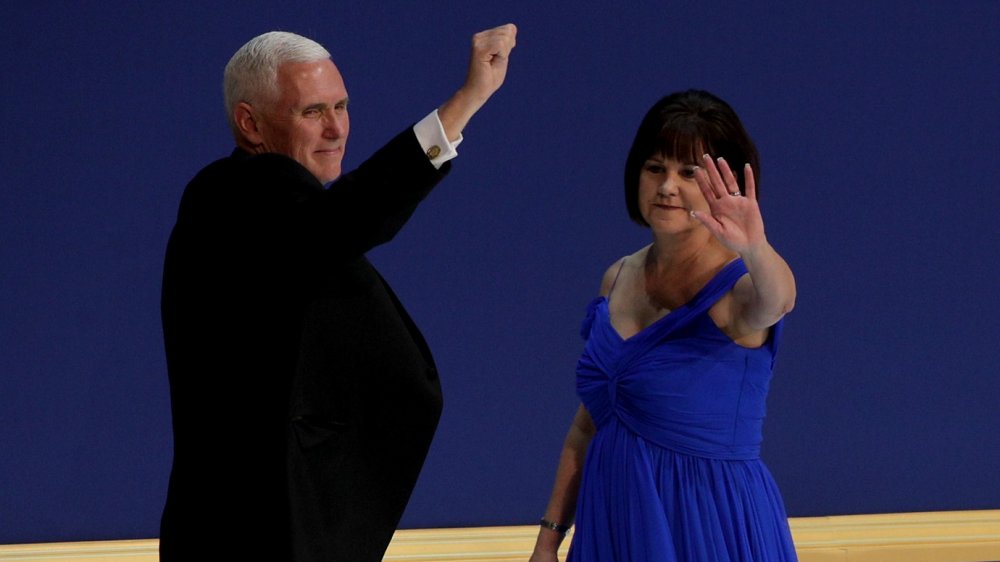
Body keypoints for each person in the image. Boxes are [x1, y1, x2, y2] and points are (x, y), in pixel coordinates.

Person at [159, 24, 516, 562]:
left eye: (341, 106)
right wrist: (462, 105)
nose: (336, 129)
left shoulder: (276, 217)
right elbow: (343, 221)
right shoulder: (234, 195)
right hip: (248, 532)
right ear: (250, 123)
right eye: (312, 112)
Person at [529, 90, 798, 562]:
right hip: (612, 523)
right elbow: (586, 426)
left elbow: (778, 301)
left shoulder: (738, 289)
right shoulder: (617, 277)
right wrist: (548, 541)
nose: (667, 186)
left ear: (723, 182)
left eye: (688, 173)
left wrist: (756, 245)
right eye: (655, 168)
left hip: (708, 525)